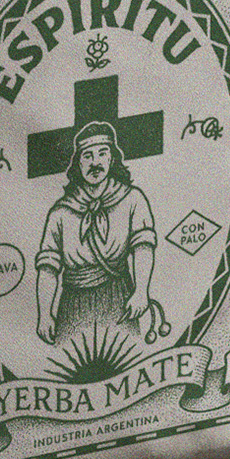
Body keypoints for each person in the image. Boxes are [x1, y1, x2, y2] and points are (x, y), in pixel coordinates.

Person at [35, 121, 158, 345]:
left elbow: (143, 247)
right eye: (87, 156)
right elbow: (48, 268)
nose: (95, 163)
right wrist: (44, 314)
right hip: (73, 304)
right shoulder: (60, 213)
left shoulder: (132, 199)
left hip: (119, 298)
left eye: (102, 154)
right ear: (78, 163)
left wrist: (141, 292)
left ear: (112, 159)